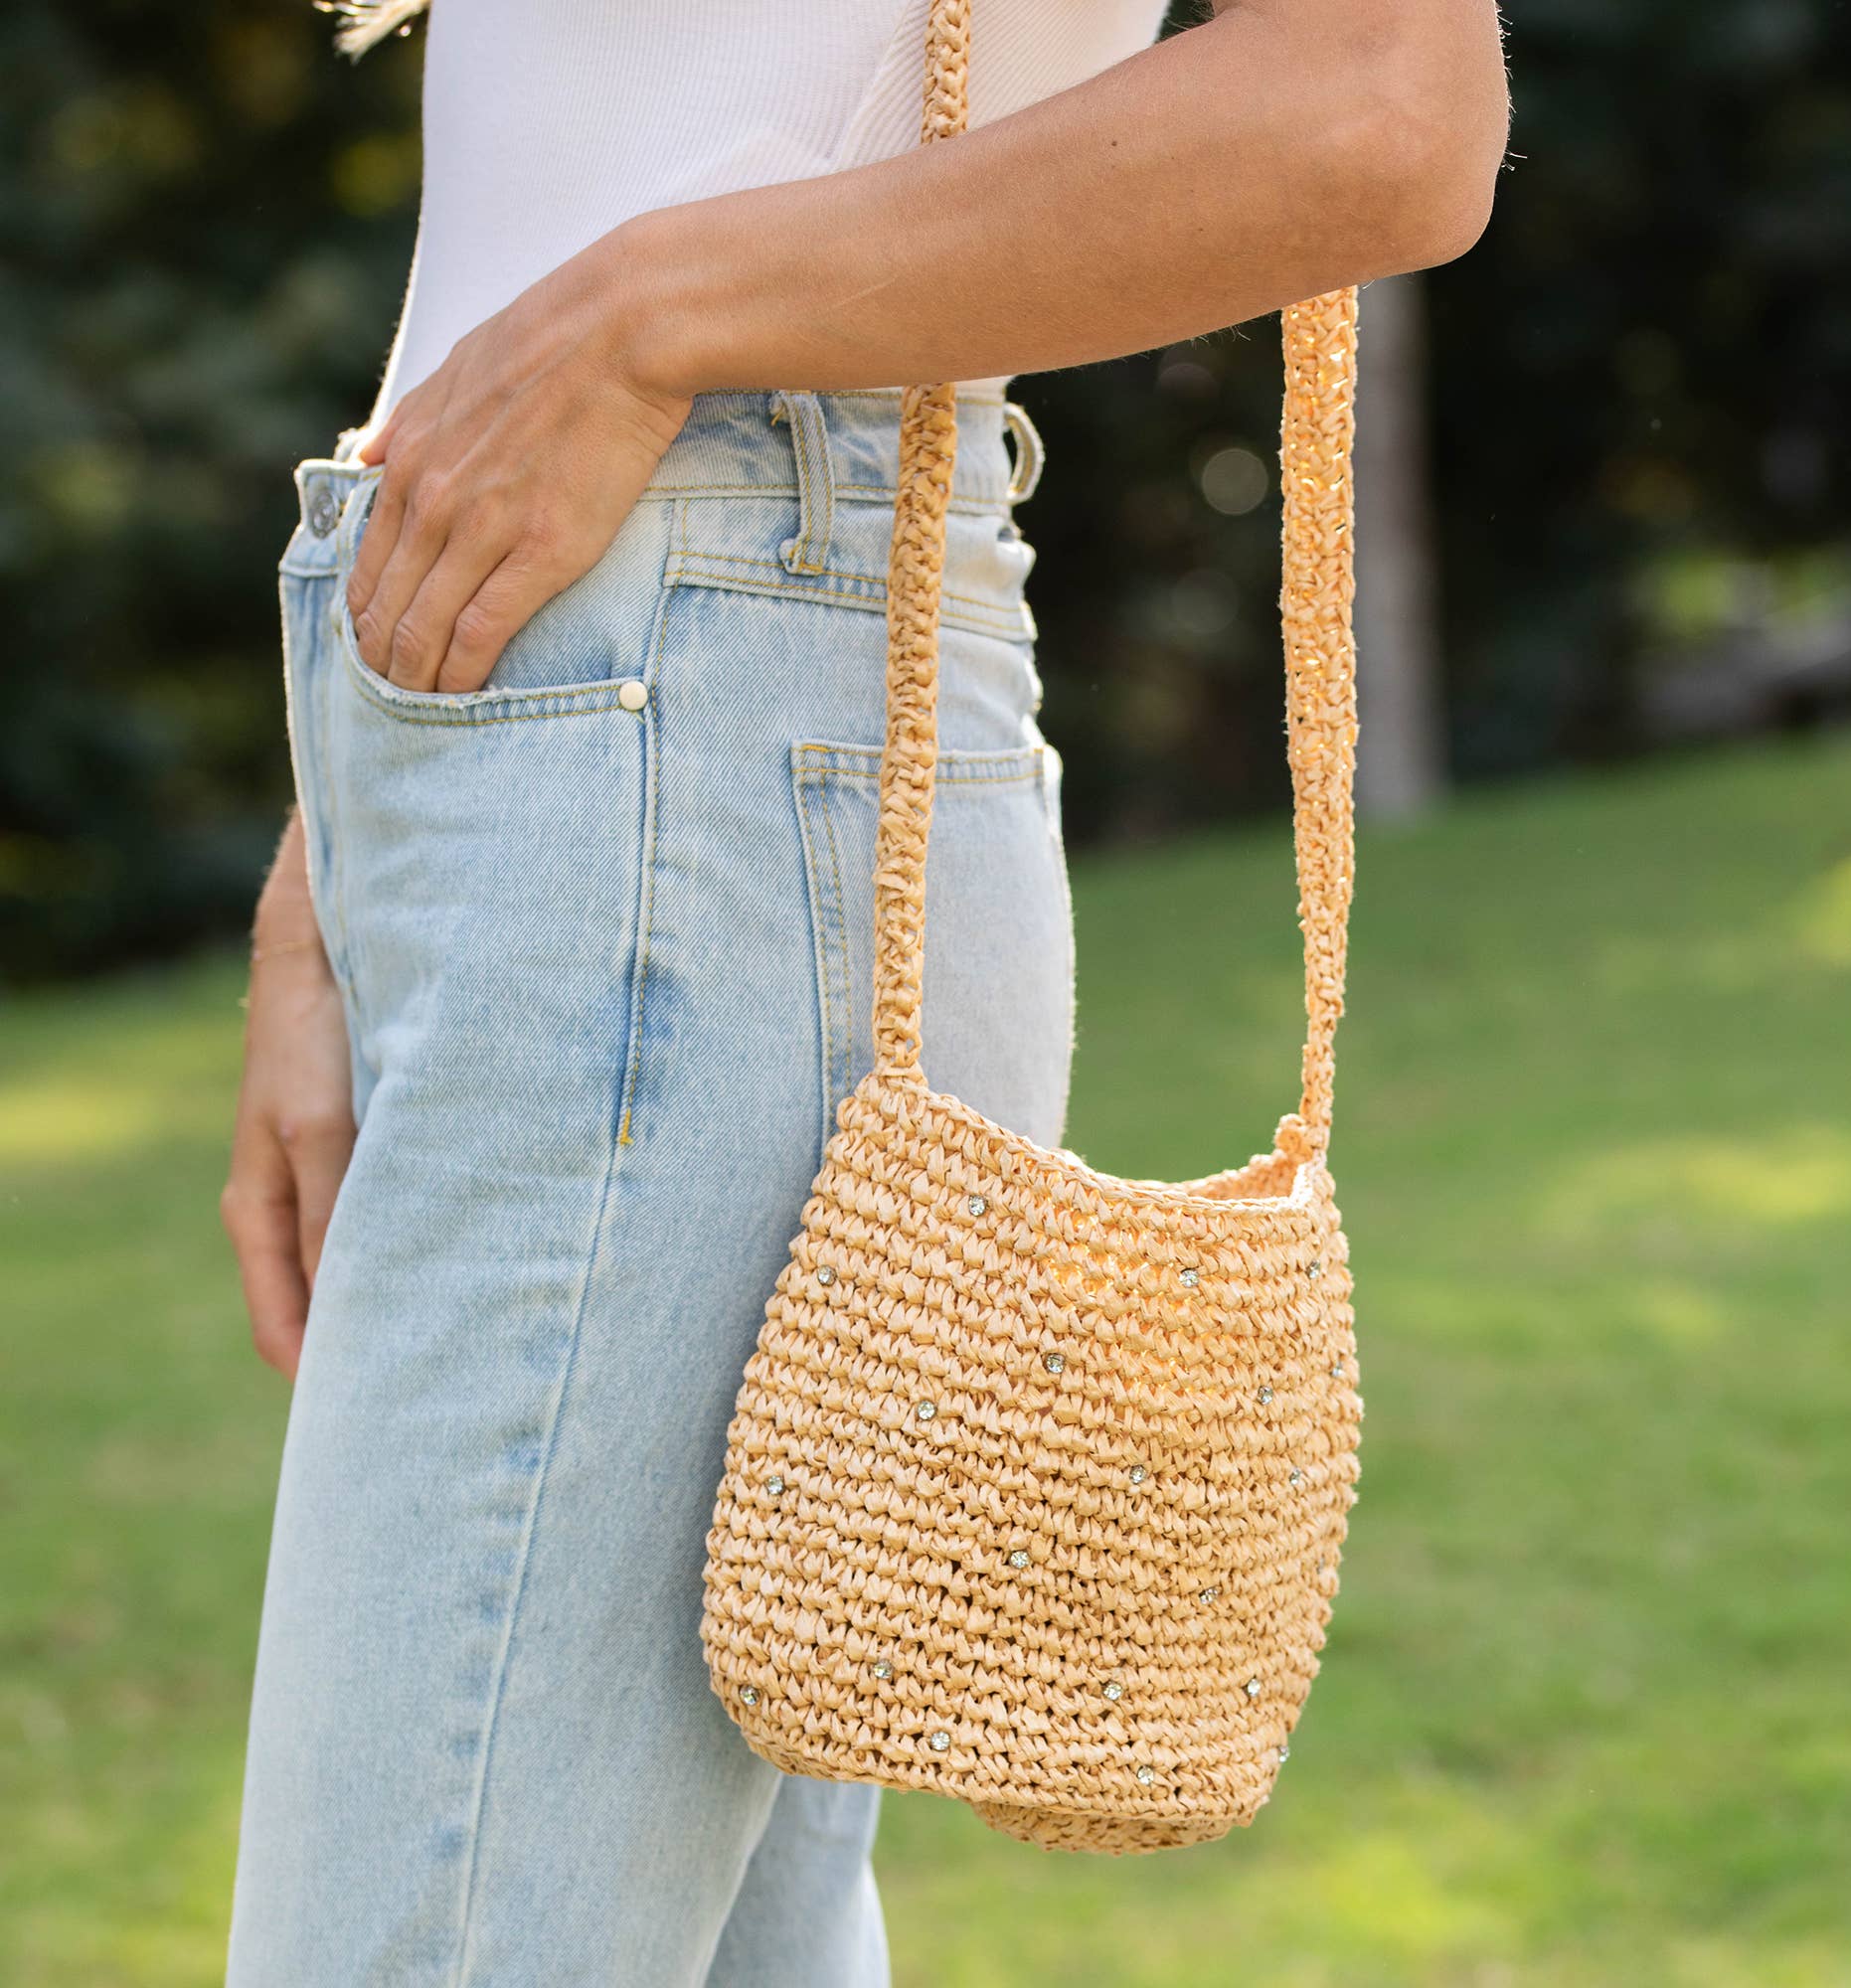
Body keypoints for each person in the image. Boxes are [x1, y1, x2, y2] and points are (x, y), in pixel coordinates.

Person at [221, 1, 1509, 1981]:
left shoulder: (675, 356)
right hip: (593, 722)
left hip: (704, 719)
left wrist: (647, 313)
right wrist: (348, 837)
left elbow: (1376, 104)